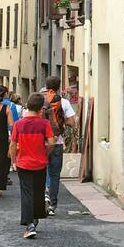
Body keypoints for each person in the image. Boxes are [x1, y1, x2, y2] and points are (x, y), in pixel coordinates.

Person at [9, 93, 54, 239]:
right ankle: (35, 218)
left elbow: (13, 144)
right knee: (38, 192)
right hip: (40, 163)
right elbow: (52, 142)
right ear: (41, 108)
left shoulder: (19, 124)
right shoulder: (44, 124)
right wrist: (45, 153)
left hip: (24, 163)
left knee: (27, 193)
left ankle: (29, 225)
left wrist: (14, 161)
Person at [42, 76, 77, 215]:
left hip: (42, 142)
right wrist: (61, 123)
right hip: (57, 142)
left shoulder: (40, 101)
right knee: (55, 174)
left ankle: (43, 196)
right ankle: (52, 205)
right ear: (58, 87)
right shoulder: (64, 102)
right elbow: (72, 123)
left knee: (41, 171)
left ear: (46, 86)